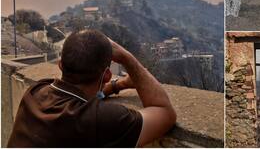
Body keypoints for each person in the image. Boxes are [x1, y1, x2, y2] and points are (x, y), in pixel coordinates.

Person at [8, 29, 176, 147]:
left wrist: (119, 85)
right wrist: (127, 58)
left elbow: (80, 99)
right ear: (107, 75)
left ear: (60, 65)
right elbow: (165, 113)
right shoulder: (102, 119)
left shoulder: (37, 90)